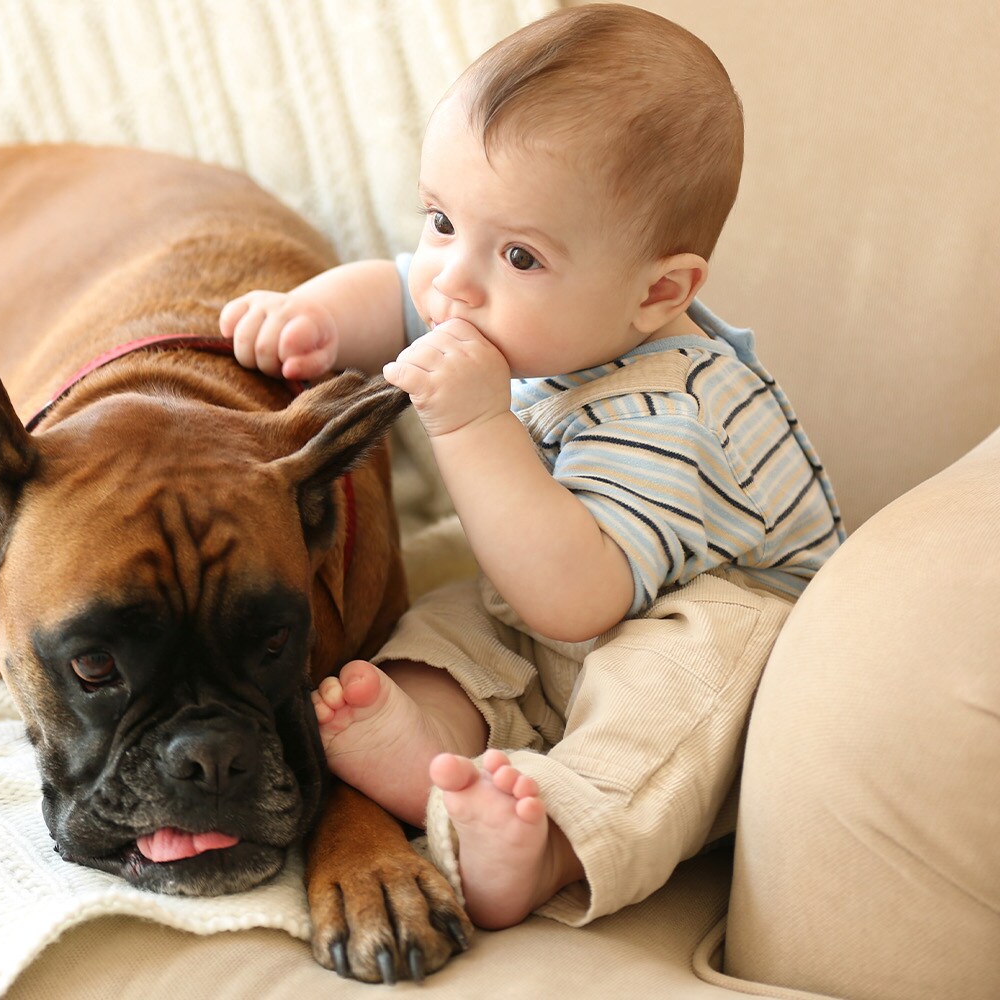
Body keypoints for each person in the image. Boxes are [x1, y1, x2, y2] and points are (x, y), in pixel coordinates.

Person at [217, 3, 843, 930]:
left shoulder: (676, 410)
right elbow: (395, 290)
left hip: (715, 618)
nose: (452, 281)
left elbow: (575, 602)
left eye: (518, 253)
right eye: (439, 219)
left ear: (657, 292)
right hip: (555, 593)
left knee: (667, 700)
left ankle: (549, 841)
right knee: (455, 615)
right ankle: (422, 740)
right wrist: (310, 319)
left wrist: (474, 427)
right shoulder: (505, 301)